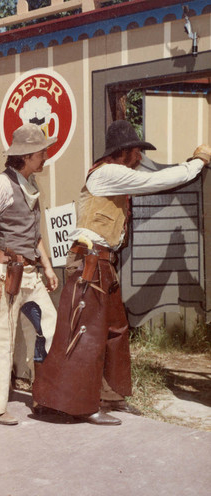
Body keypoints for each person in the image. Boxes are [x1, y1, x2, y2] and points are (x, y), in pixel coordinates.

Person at [33, 120, 211, 425]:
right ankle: (84, 405)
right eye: (137, 152)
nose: (140, 157)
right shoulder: (107, 173)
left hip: (102, 262)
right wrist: (196, 163)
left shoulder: (114, 173)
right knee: (86, 336)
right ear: (123, 152)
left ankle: (112, 397)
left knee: (116, 330)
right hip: (89, 262)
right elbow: (156, 181)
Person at [0, 123, 58, 426]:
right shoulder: (1, 185)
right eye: (42, 152)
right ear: (28, 155)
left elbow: (35, 233)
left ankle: (47, 396)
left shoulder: (32, 184)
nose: (46, 156)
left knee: (50, 326)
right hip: (4, 272)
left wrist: (46, 265)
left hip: (30, 272)